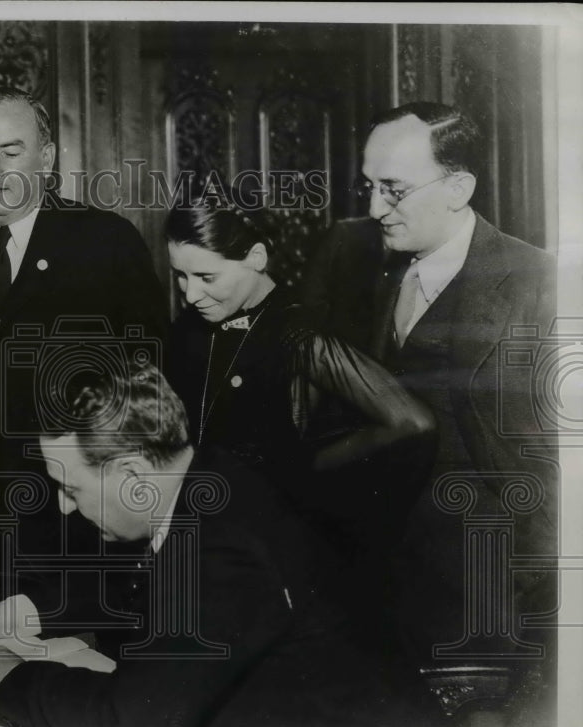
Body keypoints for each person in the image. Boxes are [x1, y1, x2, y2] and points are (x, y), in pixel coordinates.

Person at [0, 361, 440, 727]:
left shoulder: (222, 550)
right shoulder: (210, 476)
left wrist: (8, 677)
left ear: (129, 476)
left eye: (69, 487)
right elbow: (129, 586)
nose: (63, 505)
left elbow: (133, 725)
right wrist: (11, 613)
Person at [303, 103, 558, 667]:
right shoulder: (366, 267)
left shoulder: (543, 285)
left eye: (392, 189)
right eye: (367, 187)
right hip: (382, 585)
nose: (374, 208)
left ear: (458, 187)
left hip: (490, 604)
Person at [0, 87, 167, 573]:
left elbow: (149, 385)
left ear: (46, 159)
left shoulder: (106, 244)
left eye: (10, 151)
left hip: (76, 532)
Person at [164, 197, 436, 543]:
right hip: (207, 527)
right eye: (180, 277)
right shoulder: (190, 326)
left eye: (206, 277)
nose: (190, 294)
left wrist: (306, 468)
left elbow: (413, 424)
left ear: (256, 258)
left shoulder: (299, 334)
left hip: (273, 541)